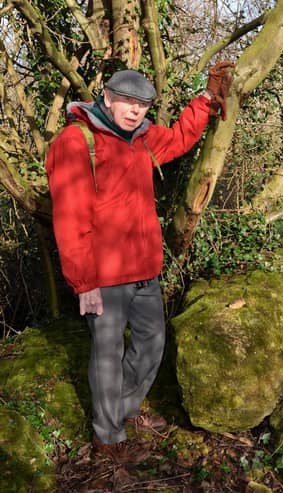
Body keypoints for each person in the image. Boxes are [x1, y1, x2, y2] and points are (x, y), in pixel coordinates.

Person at [45, 62, 234, 464]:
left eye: (143, 105)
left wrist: (204, 101)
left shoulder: (143, 140)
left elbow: (180, 138)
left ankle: (124, 409)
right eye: (127, 102)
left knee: (151, 344)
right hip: (103, 276)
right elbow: (70, 218)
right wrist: (84, 283)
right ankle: (107, 435)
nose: (135, 111)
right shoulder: (76, 141)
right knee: (107, 354)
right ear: (107, 99)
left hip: (145, 269)